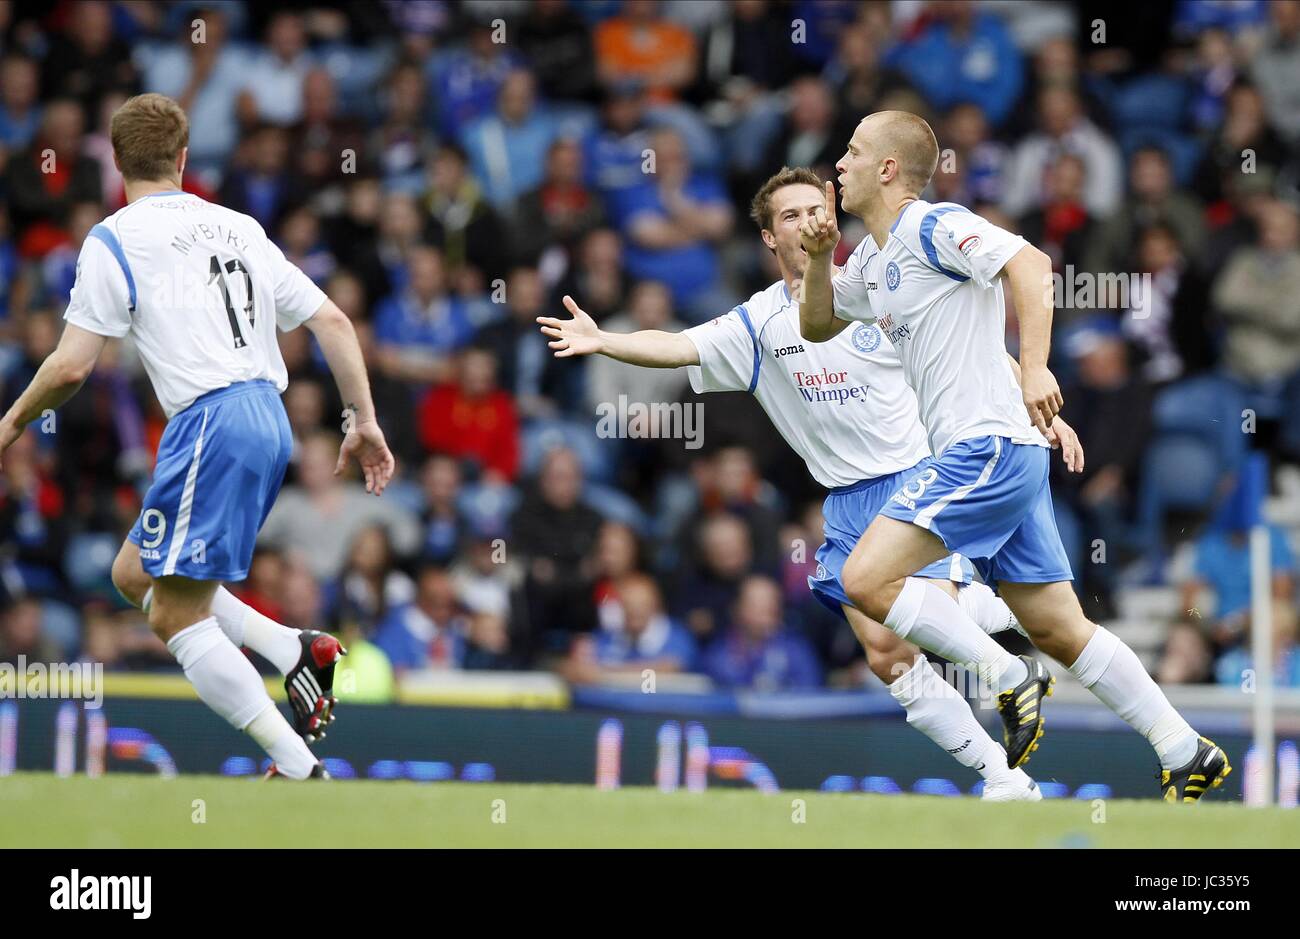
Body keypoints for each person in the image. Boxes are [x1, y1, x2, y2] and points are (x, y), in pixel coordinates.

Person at [538, 165, 1090, 801]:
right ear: (770, 239)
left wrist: (1037, 406)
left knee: (914, 617)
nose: (804, 223)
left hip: (918, 476)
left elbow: (972, 354)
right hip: (846, 499)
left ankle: (1011, 659)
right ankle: (1003, 775)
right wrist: (603, 340)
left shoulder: (878, 288)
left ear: (833, 216)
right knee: (886, 657)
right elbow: (677, 346)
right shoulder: (757, 324)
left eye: (812, 210)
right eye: (788, 217)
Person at [797, 109, 1229, 801]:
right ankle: (1184, 747)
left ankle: (1005, 673)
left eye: (850, 152)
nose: (837, 165)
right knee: (1060, 627)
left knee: (864, 578)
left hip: (984, 449)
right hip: (1008, 450)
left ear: (886, 169)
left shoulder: (929, 226)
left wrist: (1035, 370)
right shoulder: (874, 261)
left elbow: (1029, 263)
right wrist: (821, 258)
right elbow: (817, 322)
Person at [0, 94, 397, 781]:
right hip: (267, 421)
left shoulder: (114, 237)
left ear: (117, 162)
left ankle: (299, 766)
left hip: (212, 422)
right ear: (184, 159)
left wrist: (10, 421)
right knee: (134, 572)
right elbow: (332, 319)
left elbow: (70, 365)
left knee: (175, 617)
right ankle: (293, 648)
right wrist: (362, 418)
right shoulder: (239, 226)